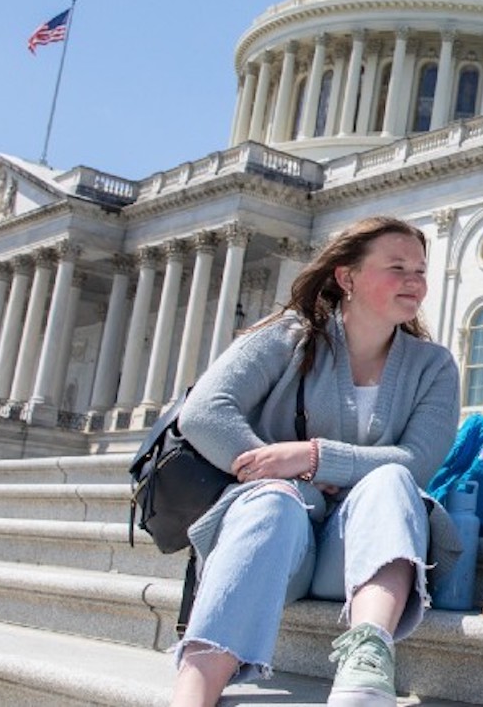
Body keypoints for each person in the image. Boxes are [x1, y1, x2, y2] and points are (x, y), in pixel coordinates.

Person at [168, 216, 459, 707]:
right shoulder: (290, 337)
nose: (415, 281)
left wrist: (312, 458)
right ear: (347, 278)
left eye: (421, 270)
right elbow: (203, 413)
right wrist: (271, 468)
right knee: (272, 502)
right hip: (281, 547)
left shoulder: (433, 366)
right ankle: (193, 691)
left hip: (363, 545)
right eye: (397, 267)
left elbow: (417, 462)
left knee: (391, 481)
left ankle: (365, 666)